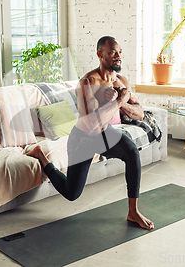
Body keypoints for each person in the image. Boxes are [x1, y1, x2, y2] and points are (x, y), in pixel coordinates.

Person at [25, 36, 154, 230]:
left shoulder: (122, 81)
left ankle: (133, 212)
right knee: (72, 193)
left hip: (106, 133)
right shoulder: (87, 83)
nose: (118, 56)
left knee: (132, 152)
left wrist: (124, 98)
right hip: (83, 138)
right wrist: (117, 102)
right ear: (100, 55)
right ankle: (41, 156)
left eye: (119, 51)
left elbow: (140, 114)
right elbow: (92, 123)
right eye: (113, 52)